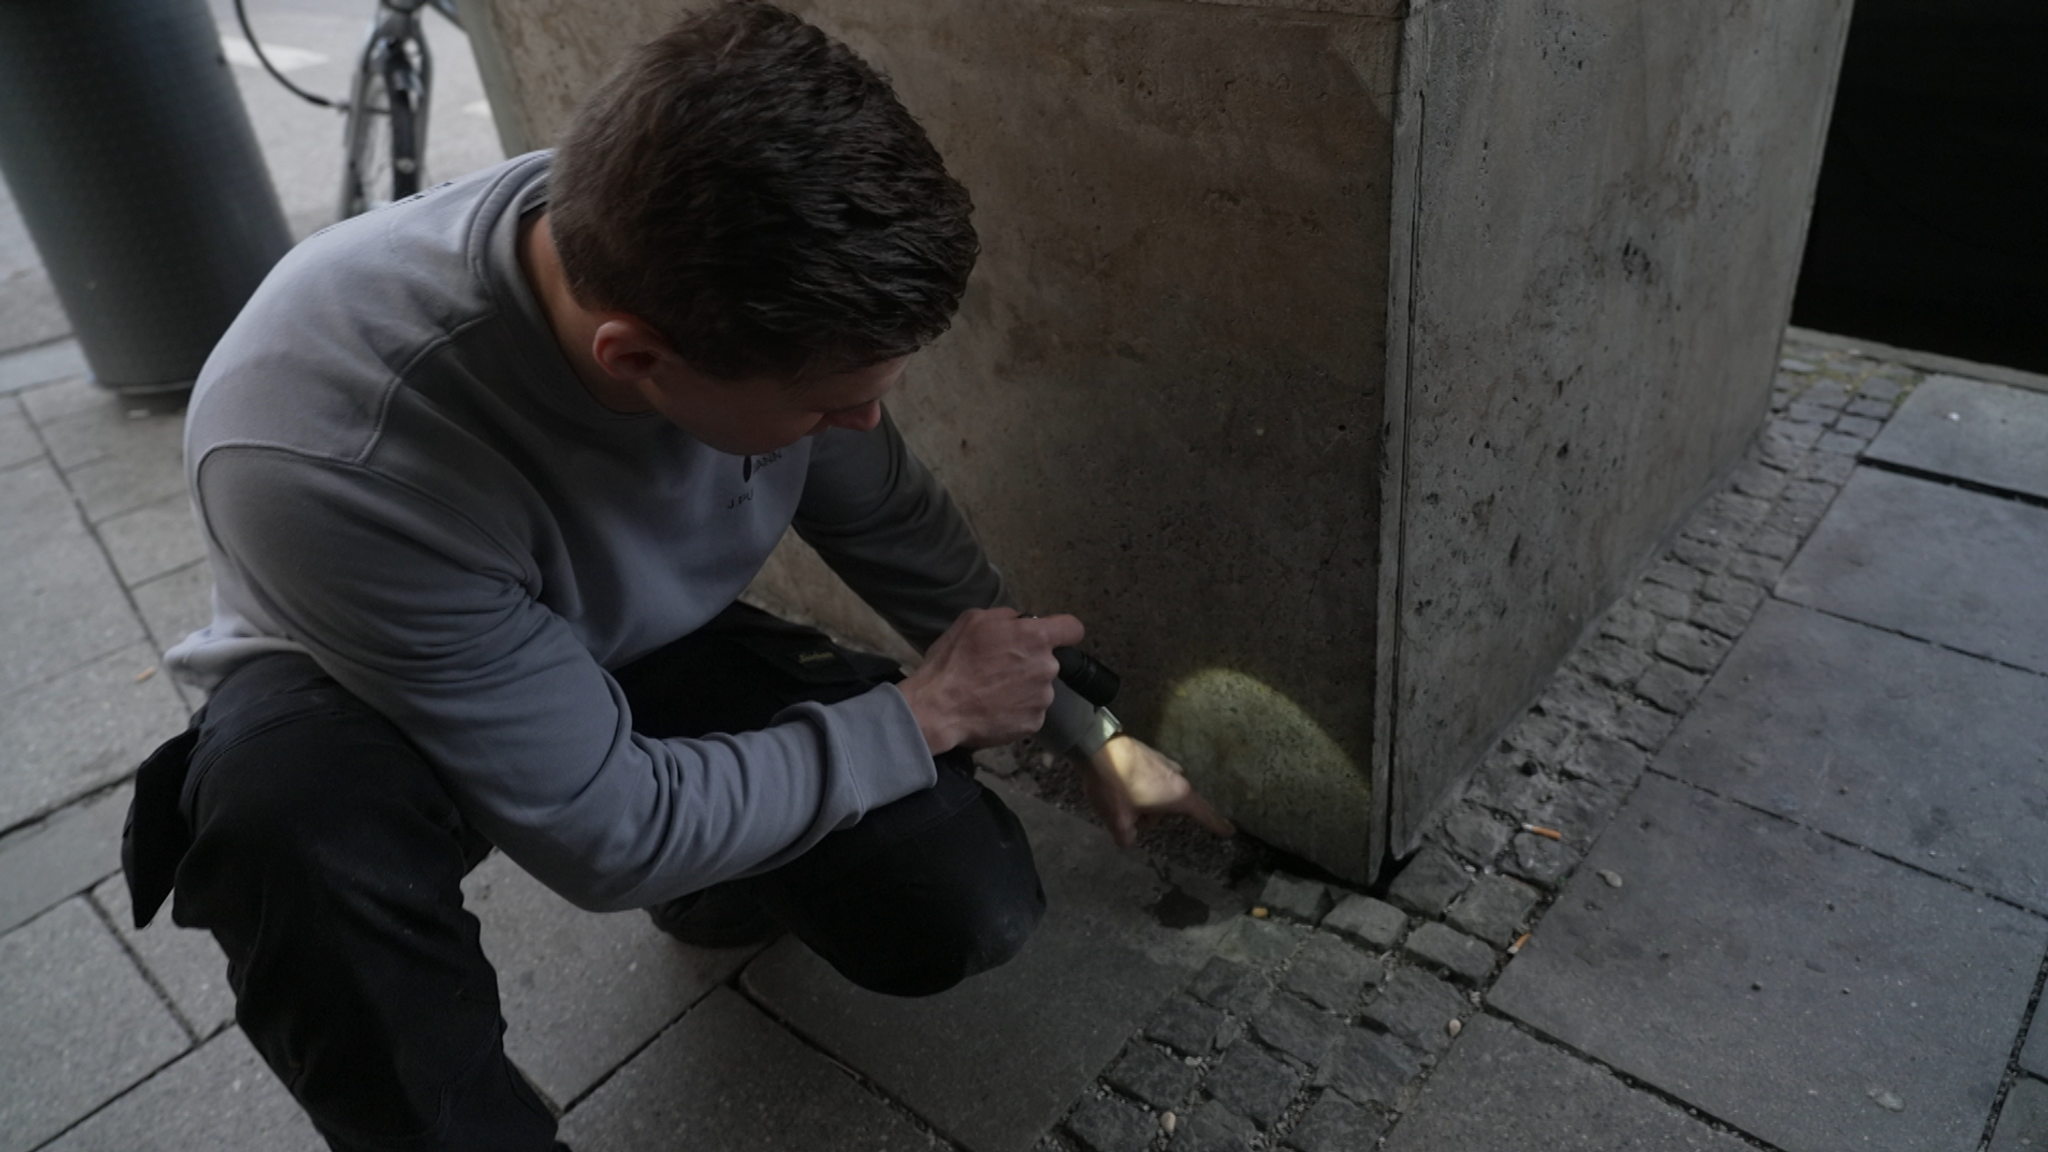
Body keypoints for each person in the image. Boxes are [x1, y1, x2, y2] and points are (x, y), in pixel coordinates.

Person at [119, 3, 1232, 1149]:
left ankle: (718, 878)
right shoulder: (327, 452)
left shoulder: (702, 239)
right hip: (370, 689)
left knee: (954, 895)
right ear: (635, 358)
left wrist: (1080, 726)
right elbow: (606, 832)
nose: (862, 423)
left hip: (627, 635)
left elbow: (895, 521)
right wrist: (922, 714)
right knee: (288, 826)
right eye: (823, 405)